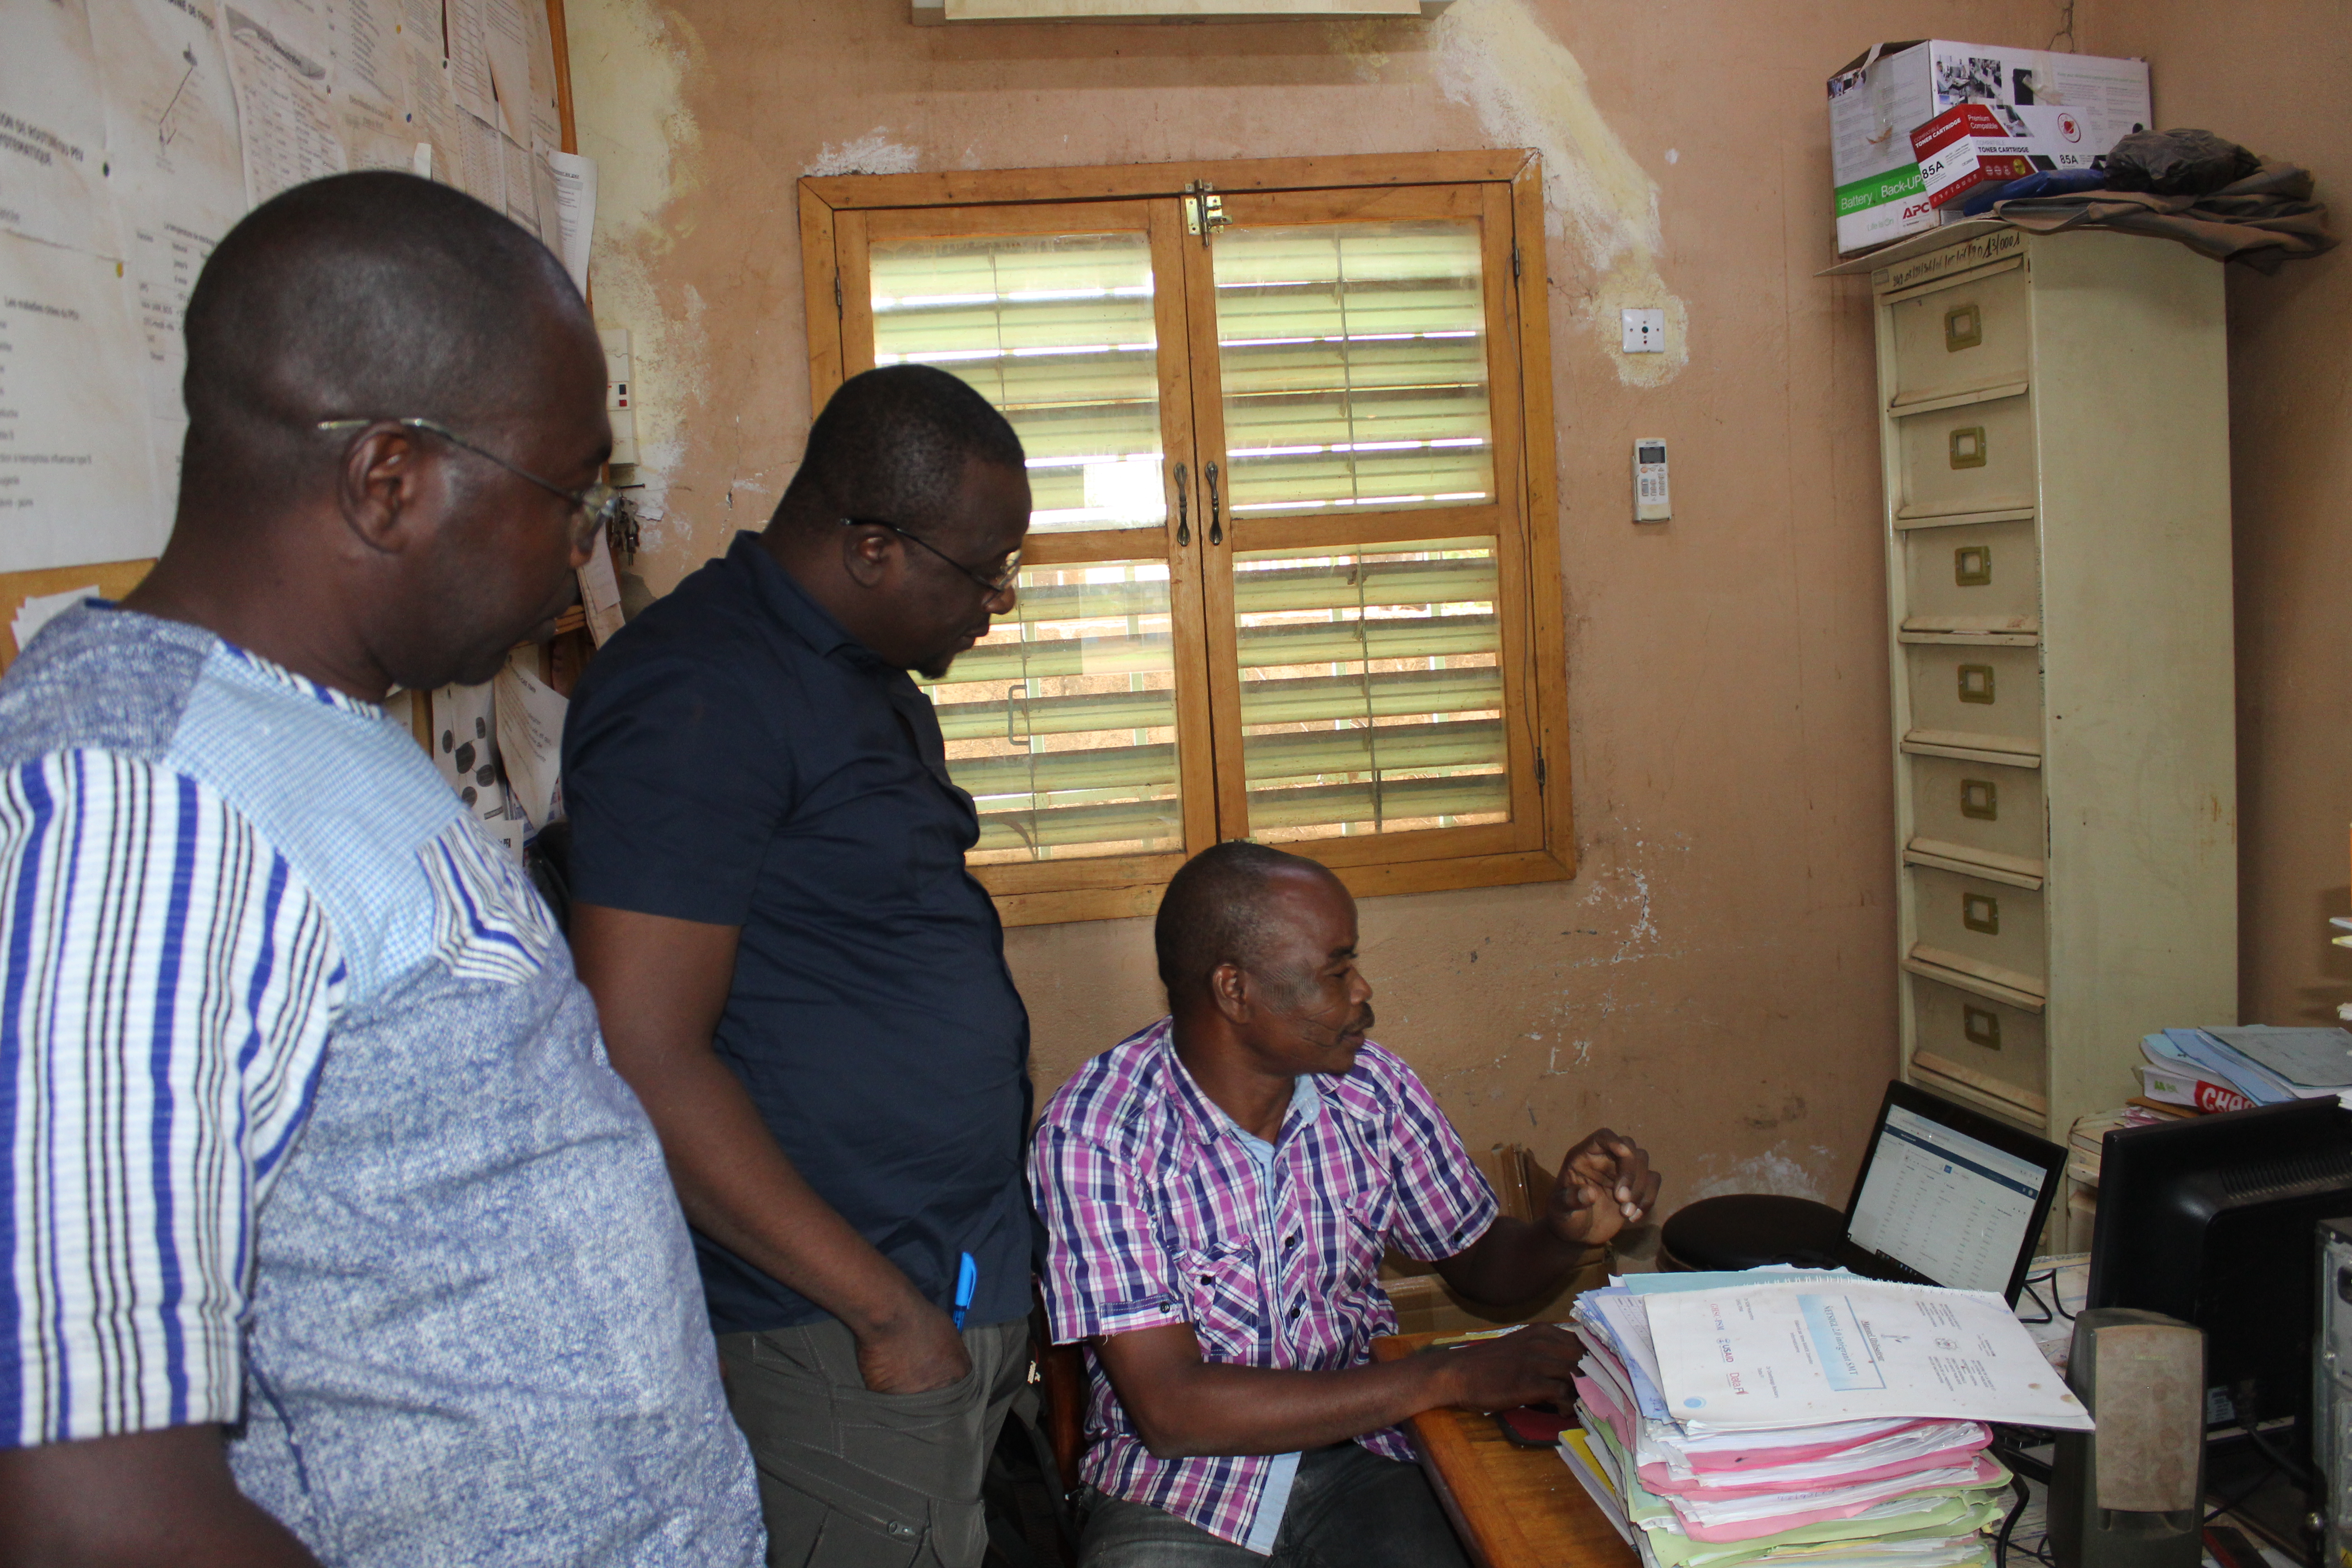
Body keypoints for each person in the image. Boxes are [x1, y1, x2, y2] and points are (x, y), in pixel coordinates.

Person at [0, 172, 762, 1566]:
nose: (580, 547)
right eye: (567, 492)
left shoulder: (307, 720)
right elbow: (91, 1505)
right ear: (388, 481)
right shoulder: (144, 803)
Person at [562, 364, 1036, 1568]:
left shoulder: (861, 677)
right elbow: (641, 1052)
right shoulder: (698, 693)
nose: (999, 603)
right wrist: (884, 1314)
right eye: (982, 572)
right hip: (838, 1326)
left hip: (940, 1285)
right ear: (874, 547)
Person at [1033, 840, 1664, 1567]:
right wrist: (1445, 1375)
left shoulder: (1372, 1090)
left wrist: (1562, 1233)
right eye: (1336, 971)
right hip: (1177, 1487)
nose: (1362, 991)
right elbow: (1173, 1411)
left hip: (1367, 1453)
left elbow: (1482, 1265)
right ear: (1236, 991)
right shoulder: (1099, 1131)